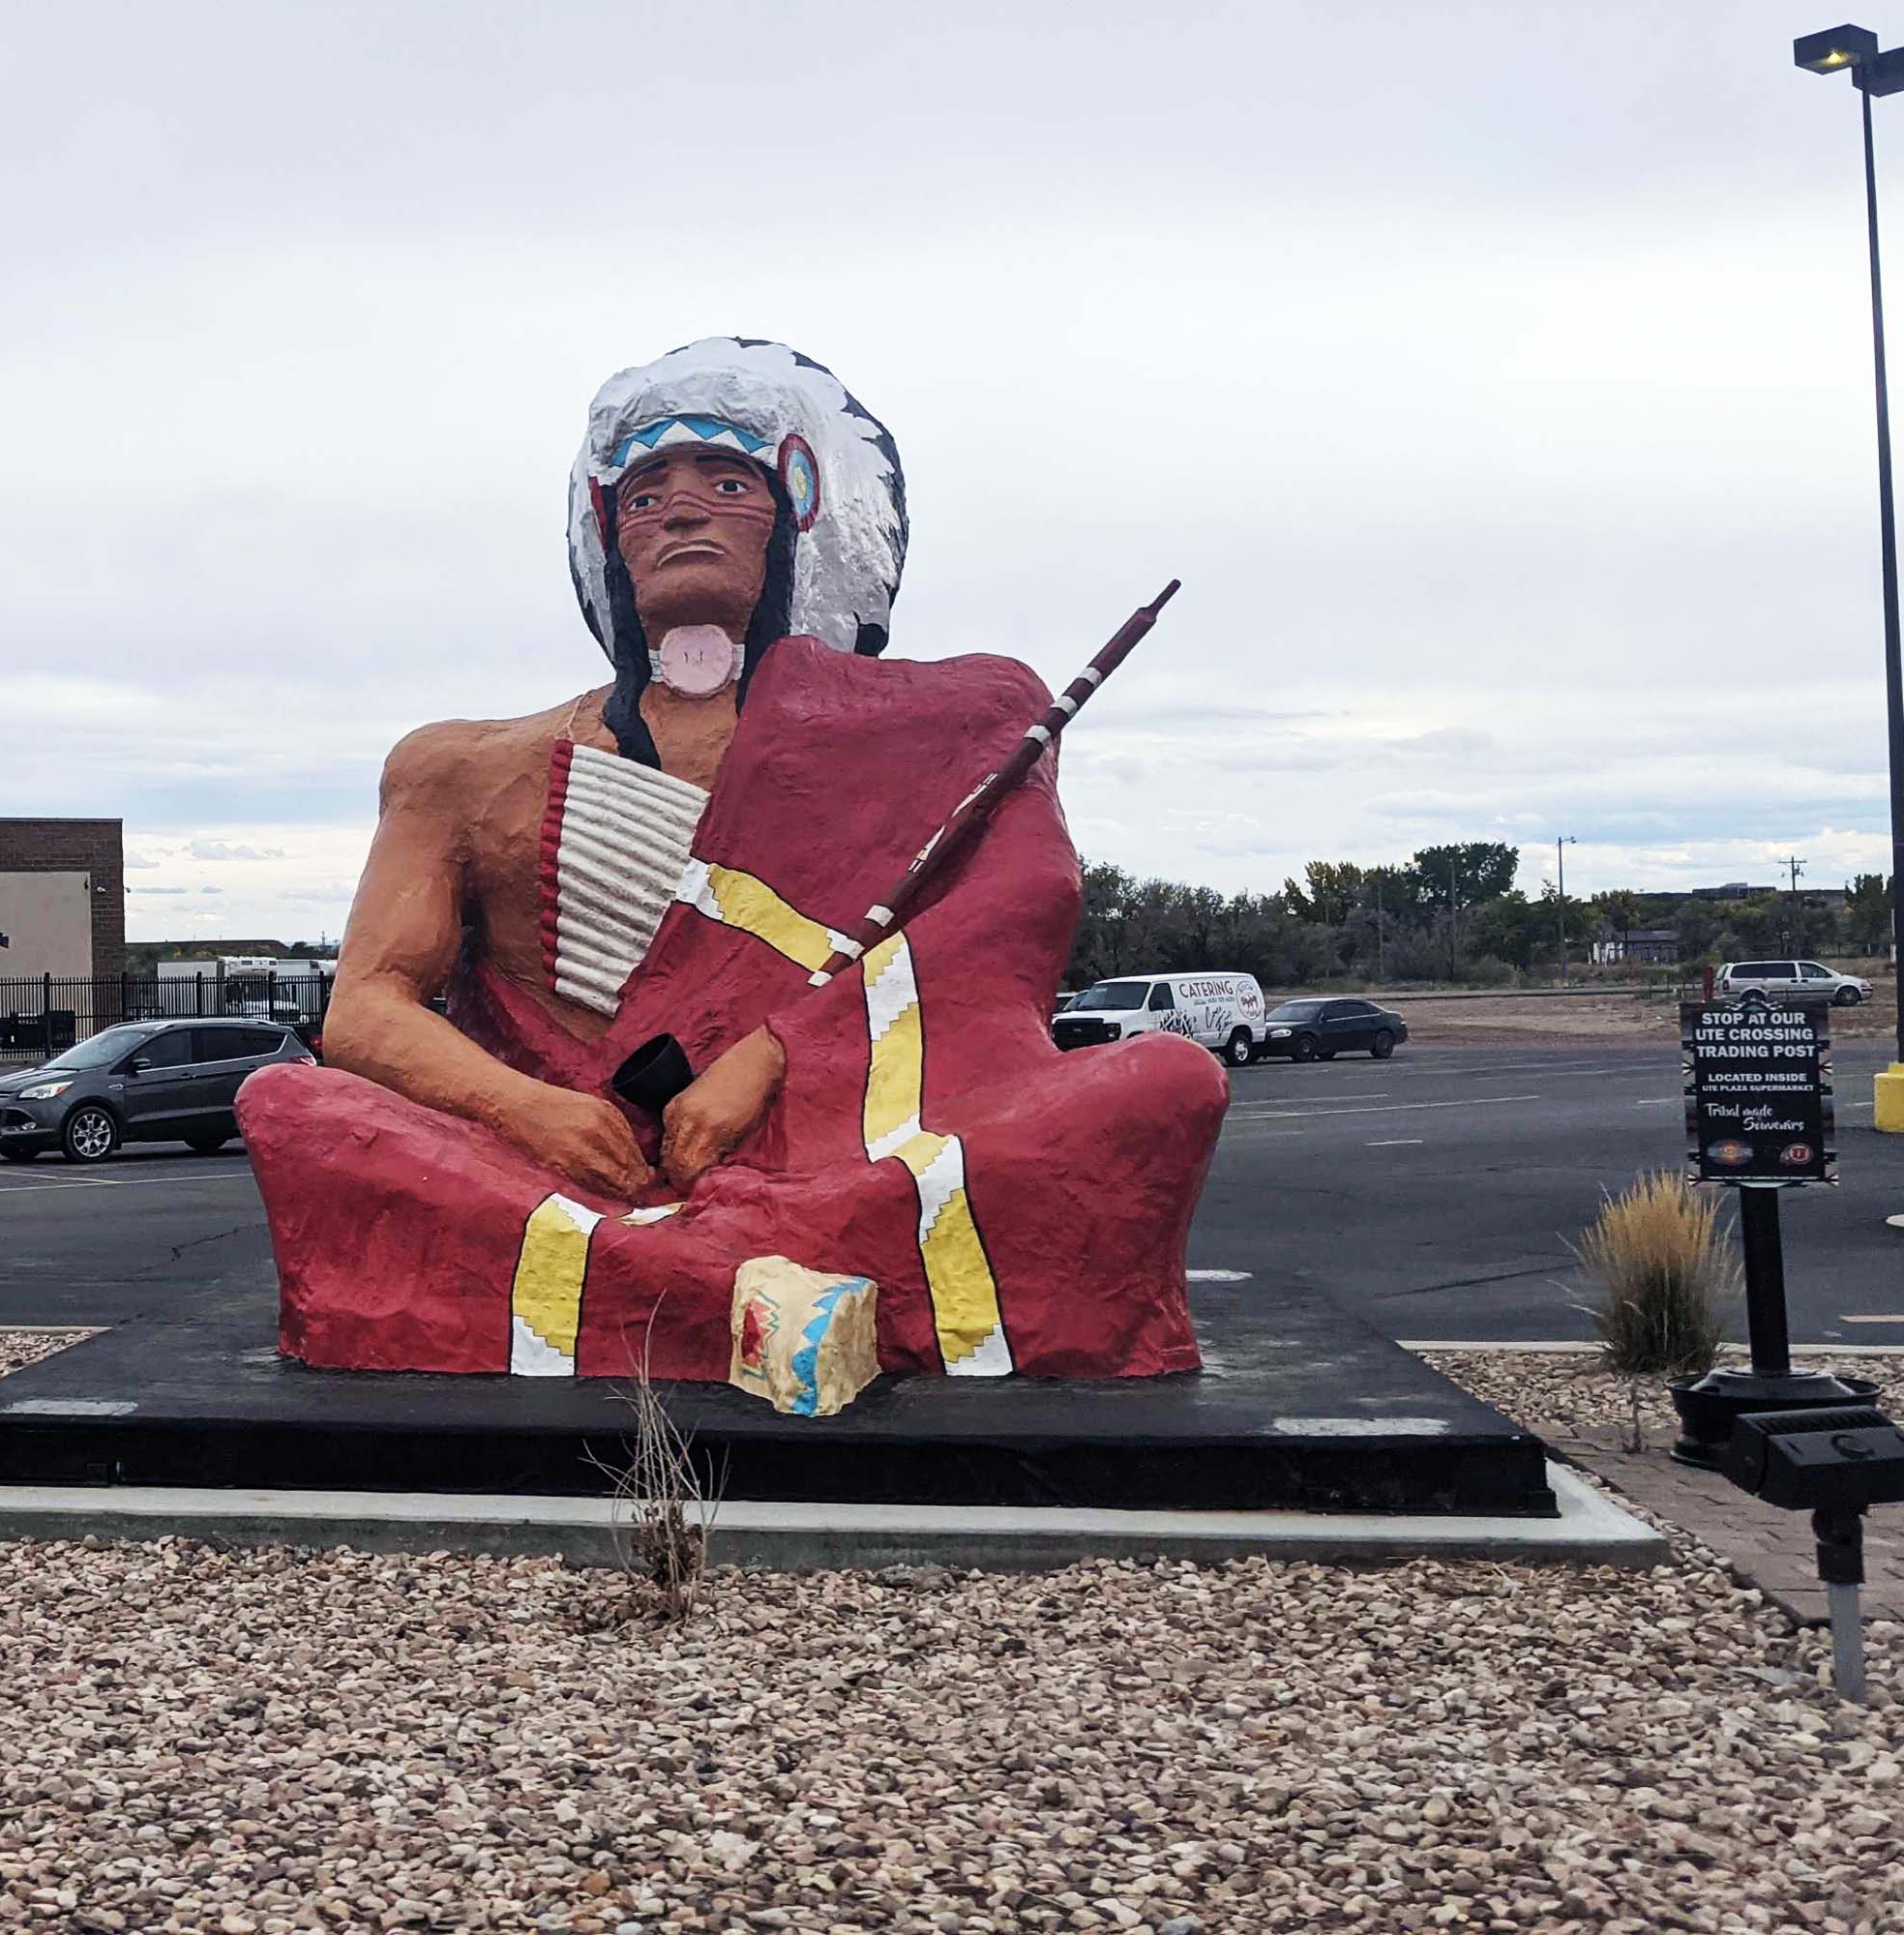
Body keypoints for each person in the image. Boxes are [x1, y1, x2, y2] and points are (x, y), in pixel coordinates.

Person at [237, 339, 1222, 1383]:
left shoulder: (921, 728)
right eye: (645, 493)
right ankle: (769, 1291)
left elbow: (999, 926)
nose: (681, 511)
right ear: (608, 535)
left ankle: (649, 1289)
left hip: (827, 1145)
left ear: (795, 512)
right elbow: (364, 1012)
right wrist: (529, 1108)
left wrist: (774, 1053)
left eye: (726, 482)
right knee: (292, 1107)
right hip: (558, 1159)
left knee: (1166, 1083)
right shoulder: (461, 765)